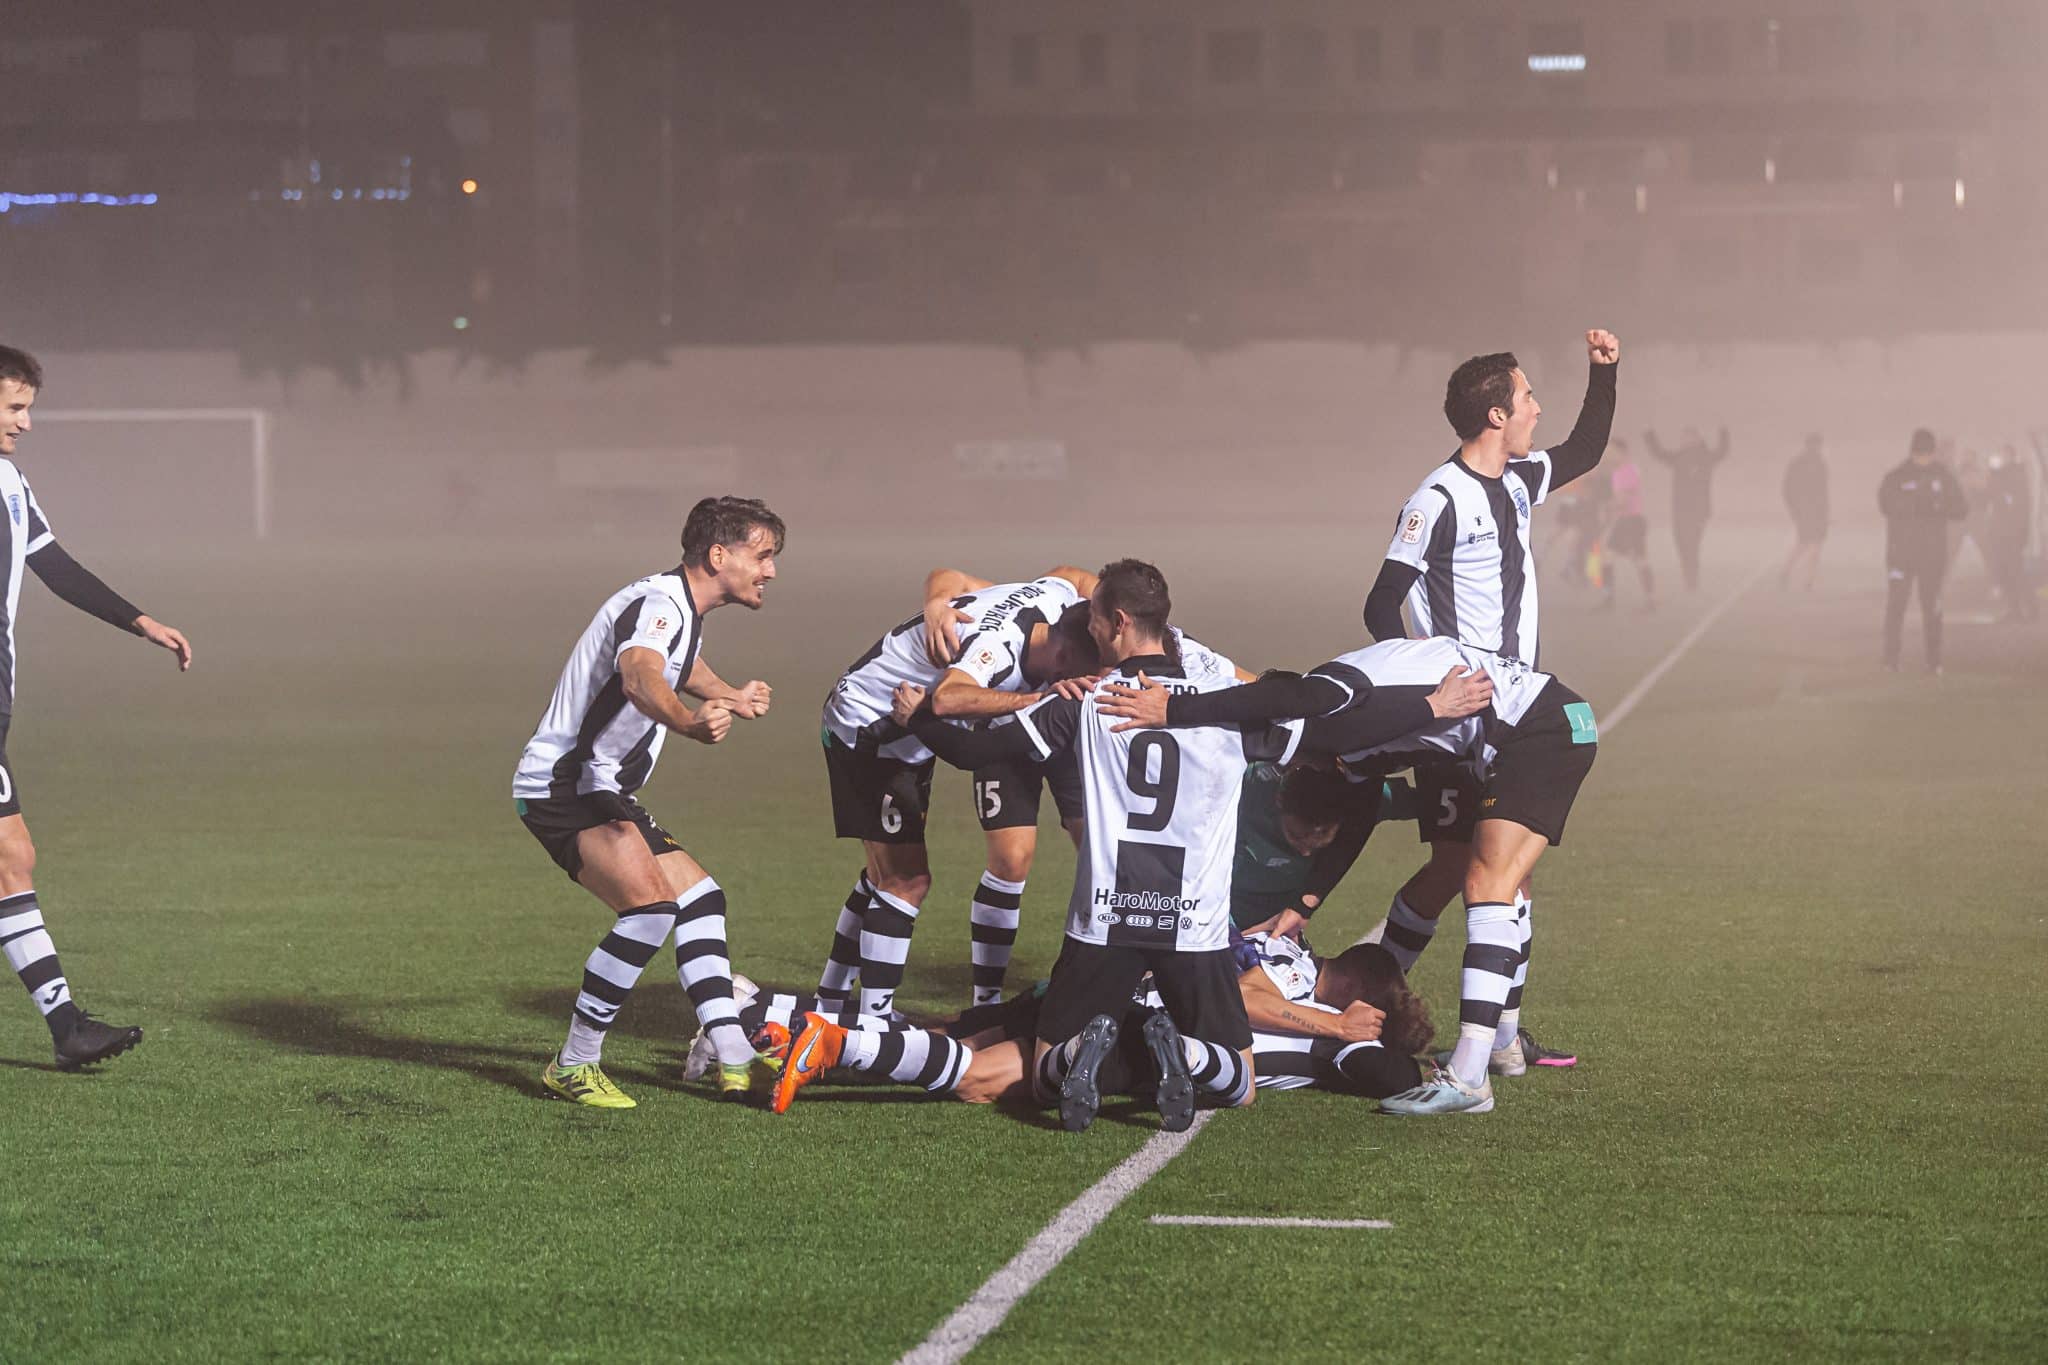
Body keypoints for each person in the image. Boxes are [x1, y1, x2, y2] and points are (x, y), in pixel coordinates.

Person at [787, 560, 1494, 1131]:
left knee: (1033, 1070)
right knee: (1240, 1081)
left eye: (1092, 616)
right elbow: (1330, 726)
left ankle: (849, 1040)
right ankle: (1181, 1050)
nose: (1084, 625)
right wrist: (1429, 708)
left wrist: (924, 719)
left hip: (1104, 923)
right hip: (1190, 928)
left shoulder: (1082, 700)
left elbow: (984, 750)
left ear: (1117, 623)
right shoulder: (1218, 700)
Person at [1100, 632, 1599, 1115]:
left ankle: (1470, 1077)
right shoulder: (1349, 751)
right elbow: (1358, 812)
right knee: (1480, 874)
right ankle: (1500, 1045)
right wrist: (1308, 900)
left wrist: (1172, 711)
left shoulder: (1331, 699)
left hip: (1539, 727)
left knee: (1485, 882)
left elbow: (1278, 697)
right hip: (1500, 736)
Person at [1358, 330, 1617, 1078]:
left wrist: (1605, 371)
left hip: (1513, 711)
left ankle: (1503, 1037)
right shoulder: (1435, 499)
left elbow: (1588, 448)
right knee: (1452, 870)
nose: (1537, 408)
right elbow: (1382, 604)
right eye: (1529, 396)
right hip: (1458, 720)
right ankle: (1378, 1008)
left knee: (1506, 874)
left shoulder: (1517, 479)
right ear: (1496, 415)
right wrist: (1426, 694)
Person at [514, 496, 786, 1108]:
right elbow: (641, 676)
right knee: (650, 909)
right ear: (720, 556)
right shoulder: (662, 605)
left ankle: (728, 1042)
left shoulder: (677, 605)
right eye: (762, 556)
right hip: (566, 784)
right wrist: (691, 725)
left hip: (598, 784)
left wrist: (732, 695)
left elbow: (678, 663)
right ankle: (575, 1064)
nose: (770, 571)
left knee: (699, 899)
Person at [913, 566, 1250, 1007]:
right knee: (1012, 859)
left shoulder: (1163, 643)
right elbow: (957, 585)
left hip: (1073, 726)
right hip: (1016, 726)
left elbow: (1240, 678)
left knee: (1102, 844)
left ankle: (1134, 965)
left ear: (1120, 620)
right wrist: (939, 604)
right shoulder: (1045, 609)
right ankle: (987, 997)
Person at [0, 345, 193, 1070]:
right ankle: (66, 1026)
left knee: (12, 857)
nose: (25, 423)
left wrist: (137, 620)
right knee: (10, 857)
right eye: (15, 407)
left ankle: (67, 1028)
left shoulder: (11, 482)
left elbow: (54, 566)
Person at [815, 569, 1099, 1019]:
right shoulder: (996, 652)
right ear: (1062, 657)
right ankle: (875, 1023)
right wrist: (1039, 703)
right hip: (870, 728)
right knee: (905, 880)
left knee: (882, 873)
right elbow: (948, 699)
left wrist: (938, 600)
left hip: (903, 727)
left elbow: (1074, 576)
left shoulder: (1055, 597)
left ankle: (829, 1003)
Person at [1879, 429, 1969, 673]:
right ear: (1912, 452)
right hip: (1901, 553)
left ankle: (1933, 660)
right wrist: (1912, 504)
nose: (1924, 460)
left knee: (1932, 608)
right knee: (1896, 606)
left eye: (1927, 455)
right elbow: (1885, 505)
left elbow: (1961, 508)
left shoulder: (1943, 476)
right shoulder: (1897, 477)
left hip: (1932, 555)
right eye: (1920, 454)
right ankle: (1890, 660)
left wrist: (1937, 505)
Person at [1643, 424, 1731, 592]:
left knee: (1692, 545)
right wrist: (1650, 435)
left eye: (1690, 437)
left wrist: (1723, 431)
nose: (1686, 440)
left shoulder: (1706, 456)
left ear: (1697, 439)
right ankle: (1689, 576)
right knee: (1681, 544)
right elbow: (1659, 454)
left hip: (1699, 510)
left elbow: (1722, 452)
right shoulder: (1679, 457)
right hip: (1679, 509)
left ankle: (1692, 580)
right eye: (1684, 437)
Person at [1601, 439, 1657, 611]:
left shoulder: (1626, 471)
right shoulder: (1621, 471)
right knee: (1609, 557)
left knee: (1638, 560)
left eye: (1611, 451)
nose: (1608, 455)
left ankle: (1650, 600)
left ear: (1621, 452)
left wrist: (1606, 508)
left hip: (1631, 522)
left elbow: (1623, 500)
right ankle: (1610, 599)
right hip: (1626, 521)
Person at [1985, 447, 2038, 623]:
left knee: (2015, 571)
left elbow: (2005, 500)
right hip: (2004, 532)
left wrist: (1994, 476)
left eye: (2003, 455)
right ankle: (2016, 608)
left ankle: (2029, 608)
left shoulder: (2014, 476)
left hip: (2010, 533)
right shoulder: (2008, 475)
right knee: (2007, 571)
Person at [1779, 434, 1829, 592]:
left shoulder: (1821, 464)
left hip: (1817, 512)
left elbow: (1823, 491)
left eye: (1818, 445)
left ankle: (1807, 579)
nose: (1816, 448)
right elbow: (1788, 489)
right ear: (1807, 445)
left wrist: (1826, 512)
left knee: (1814, 546)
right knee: (1806, 544)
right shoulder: (1798, 464)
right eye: (1814, 445)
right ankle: (1789, 572)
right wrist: (1795, 510)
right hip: (1806, 512)